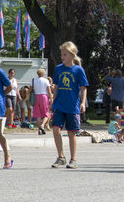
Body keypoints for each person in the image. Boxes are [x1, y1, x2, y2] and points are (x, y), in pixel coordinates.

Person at [51, 41, 89, 169]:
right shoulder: (58, 69)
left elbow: (84, 87)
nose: (62, 57)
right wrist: (53, 100)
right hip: (59, 105)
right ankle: (61, 157)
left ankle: (73, 159)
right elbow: (55, 86)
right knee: (56, 129)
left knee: (71, 133)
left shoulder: (78, 70)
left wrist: (83, 103)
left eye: (65, 54)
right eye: (62, 54)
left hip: (72, 106)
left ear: (72, 55)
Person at [30, 68, 53, 135]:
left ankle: (39, 129)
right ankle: (43, 125)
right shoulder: (46, 80)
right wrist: (51, 99)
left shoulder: (34, 80)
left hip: (36, 96)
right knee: (46, 113)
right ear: (43, 73)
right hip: (44, 96)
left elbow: (30, 88)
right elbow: (49, 91)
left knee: (38, 114)